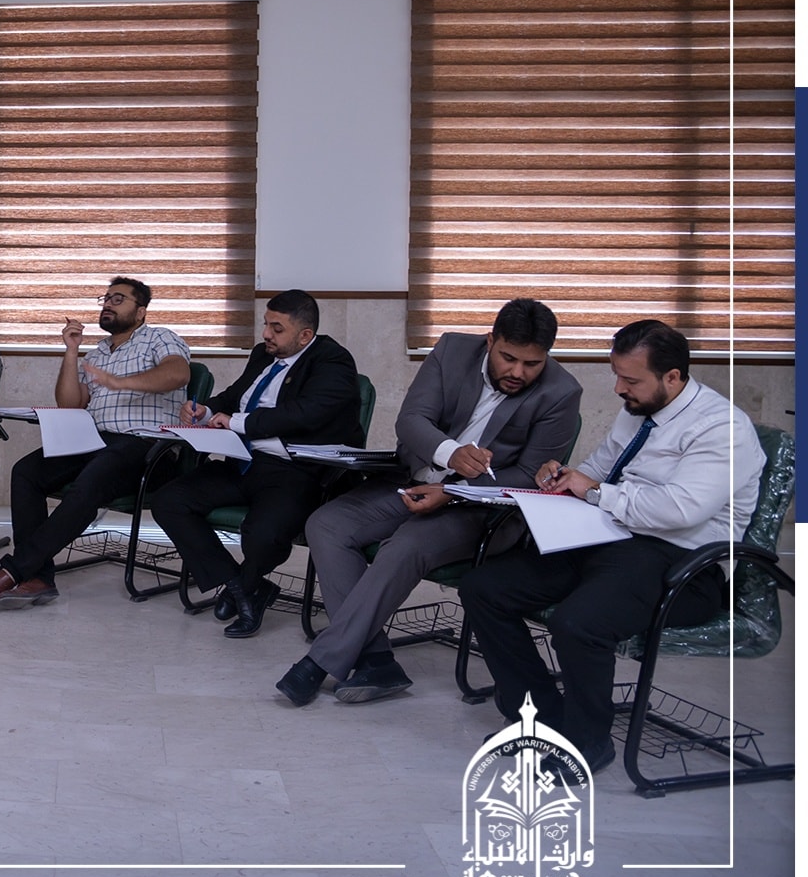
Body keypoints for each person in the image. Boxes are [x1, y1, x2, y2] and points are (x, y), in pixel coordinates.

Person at [458, 320, 762, 773]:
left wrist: (596, 492)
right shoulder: (640, 408)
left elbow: (680, 510)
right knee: (484, 588)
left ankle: (588, 742)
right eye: (617, 375)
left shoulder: (722, 428)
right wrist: (563, 476)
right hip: (611, 539)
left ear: (673, 376)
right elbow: (600, 468)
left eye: (631, 380)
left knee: (579, 623)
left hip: (682, 564)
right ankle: (540, 717)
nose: (620, 388)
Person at [274, 298, 581, 707]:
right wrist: (450, 454)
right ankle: (376, 659)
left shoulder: (561, 392)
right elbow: (412, 420)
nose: (518, 373)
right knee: (326, 524)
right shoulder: (452, 350)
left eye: (532, 364)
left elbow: (529, 476)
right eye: (509, 358)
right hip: (413, 479)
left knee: (404, 545)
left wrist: (454, 491)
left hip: (482, 509)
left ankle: (320, 661)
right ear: (490, 341)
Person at [146, 289, 364, 638]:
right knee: (168, 501)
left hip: (294, 470)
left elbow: (304, 414)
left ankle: (244, 585)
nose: (266, 334)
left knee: (264, 535)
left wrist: (235, 422)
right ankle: (243, 587)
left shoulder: (332, 361)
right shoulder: (264, 354)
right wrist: (205, 410)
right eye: (266, 324)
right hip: (244, 461)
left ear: (305, 335)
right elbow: (236, 396)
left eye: (277, 328)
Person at [0, 277, 191, 611]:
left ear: (141, 311)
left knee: (92, 478)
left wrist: (121, 382)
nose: (108, 304)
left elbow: (178, 374)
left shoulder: (160, 338)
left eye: (118, 299)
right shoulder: (98, 353)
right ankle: (40, 576)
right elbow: (70, 404)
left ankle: (13, 571)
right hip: (96, 441)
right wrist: (72, 351)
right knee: (27, 472)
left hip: (147, 446)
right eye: (106, 298)